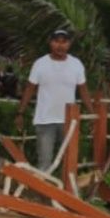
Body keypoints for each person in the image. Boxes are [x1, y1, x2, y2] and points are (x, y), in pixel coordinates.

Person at [15, 29, 95, 170]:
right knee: (45, 162)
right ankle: (41, 191)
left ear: (69, 44)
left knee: (70, 162)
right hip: (45, 120)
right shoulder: (40, 64)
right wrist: (20, 112)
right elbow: (29, 89)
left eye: (64, 42)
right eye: (56, 41)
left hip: (69, 121)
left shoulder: (76, 64)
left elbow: (83, 91)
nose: (60, 45)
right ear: (50, 43)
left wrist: (92, 115)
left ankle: (67, 191)